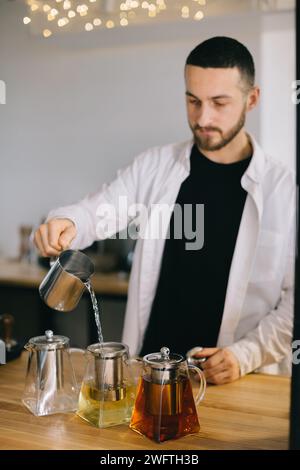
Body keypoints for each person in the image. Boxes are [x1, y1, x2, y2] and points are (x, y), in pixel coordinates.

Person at [34, 37, 295, 385]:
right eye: (193, 101)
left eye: (219, 103)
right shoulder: (154, 166)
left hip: (230, 381)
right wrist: (66, 222)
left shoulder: (284, 190)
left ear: (252, 99)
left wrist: (246, 354)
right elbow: (101, 208)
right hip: (150, 371)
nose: (203, 117)